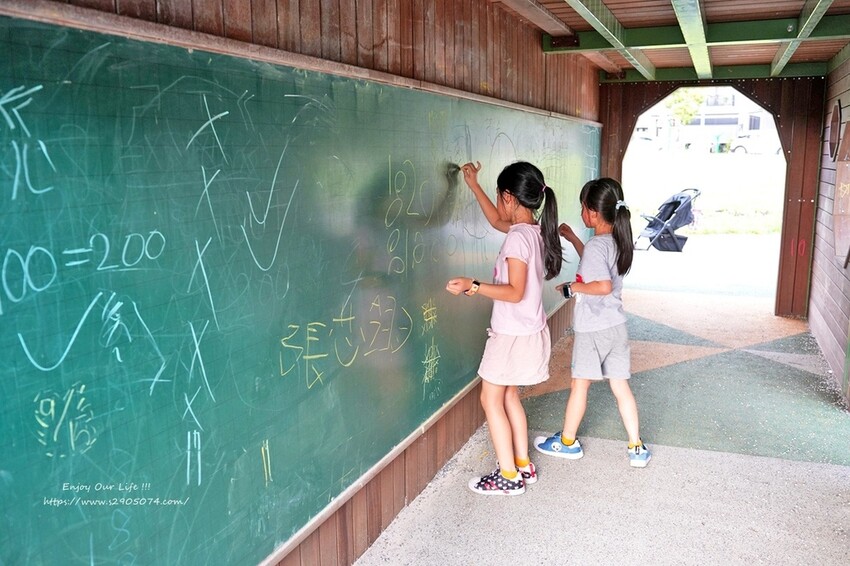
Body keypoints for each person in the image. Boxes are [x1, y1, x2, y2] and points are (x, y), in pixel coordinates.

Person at [446, 160, 562, 495]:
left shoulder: (517, 241)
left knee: (490, 399)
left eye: (499, 197)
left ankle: (508, 476)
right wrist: (474, 184)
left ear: (509, 197)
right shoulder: (533, 231)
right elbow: (499, 220)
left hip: (511, 335)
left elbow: (514, 291)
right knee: (509, 395)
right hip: (527, 331)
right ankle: (522, 466)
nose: (498, 204)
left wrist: (475, 285)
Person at [534, 177, 651, 468]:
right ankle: (636, 447)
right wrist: (574, 239)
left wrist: (571, 289)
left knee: (580, 386)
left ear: (593, 212)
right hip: (615, 327)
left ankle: (567, 442)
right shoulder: (616, 241)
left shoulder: (599, 246)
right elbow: (598, 267)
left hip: (593, 329)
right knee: (620, 387)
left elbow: (601, 285)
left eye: (583, 208)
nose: (582, 212)